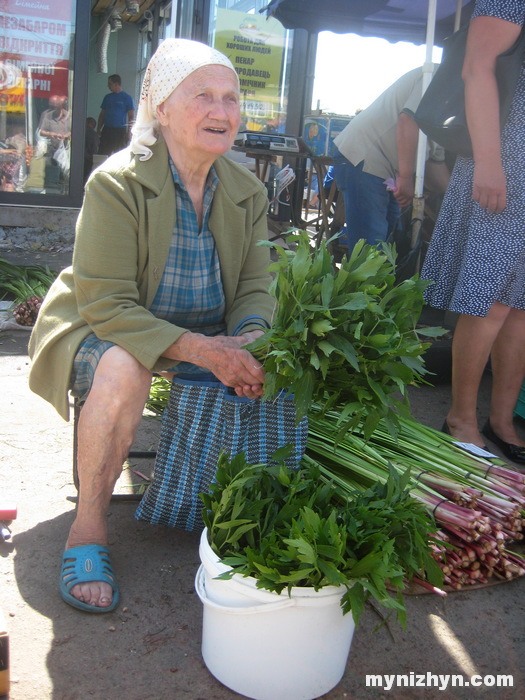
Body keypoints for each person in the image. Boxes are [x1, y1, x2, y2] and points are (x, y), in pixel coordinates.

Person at [28, 39, 274, 613]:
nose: (222, 111)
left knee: (275, 370)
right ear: (160, 108)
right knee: (123, 367)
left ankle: (216, 508)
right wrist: (204, 351)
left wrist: (253, 334)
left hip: (204, 333)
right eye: (204, 97)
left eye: (232, 98)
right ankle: (88, 528)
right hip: (104, 326)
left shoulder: (248, 191)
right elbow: (107, 303)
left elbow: (255, 289)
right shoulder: (116, 183)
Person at [421, 0, 525, 462]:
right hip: (506, 163)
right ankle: (460, 417)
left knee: (521, 304)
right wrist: (489, 163)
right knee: (492, 299)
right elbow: (476, 68)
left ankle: (500, 420)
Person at [332, 67, 450, 253]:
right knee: (371, 251)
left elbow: (436, 164)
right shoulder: (437, 75)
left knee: (387, 246)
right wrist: (406, 178)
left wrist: (462, 197)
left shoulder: (451, 106)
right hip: (365, 156)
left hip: (387, 170)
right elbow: (407, 120)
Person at [97, 74, 135, 155]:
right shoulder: (107, 97)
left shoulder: (127, 98)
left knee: (120, 154)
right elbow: (102, 115)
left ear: (116, 84)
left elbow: (131, 117)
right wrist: (98, 129)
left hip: (120, 131)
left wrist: (129, 132)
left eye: (110, 84)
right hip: (107, 129)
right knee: (103, 153)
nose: (108, 86)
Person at [84, 116, 100, 184]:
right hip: (89, 160)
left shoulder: (81, 132)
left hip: (79, 159)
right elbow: (94, 150)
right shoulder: (95, 135)